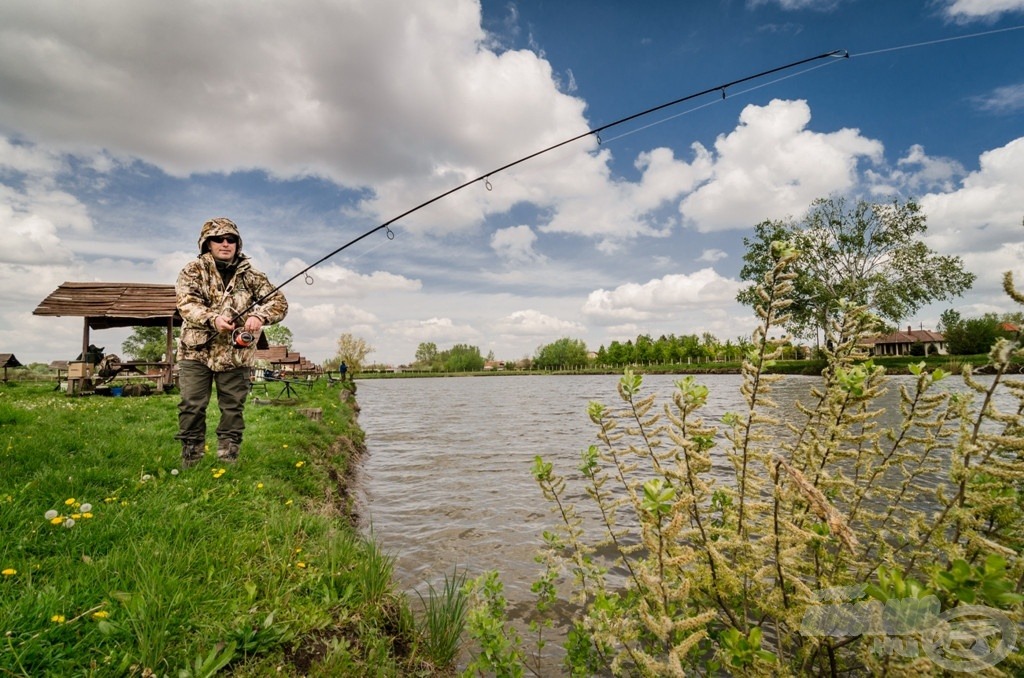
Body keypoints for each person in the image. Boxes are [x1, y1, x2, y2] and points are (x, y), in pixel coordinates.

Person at [175, 217, 288, 468]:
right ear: (207, 243)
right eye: (219, 239)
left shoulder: (252, 276)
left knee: (233, 408)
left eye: (231, 239)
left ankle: (228, 458)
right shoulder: (192, 270)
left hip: (237, 355)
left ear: (238, 244)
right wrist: (212, 319)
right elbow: (186, 304)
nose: (225, 244)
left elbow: (279, 302)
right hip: (196, 352)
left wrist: (260, 315)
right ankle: (191, 458)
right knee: (191, 405)